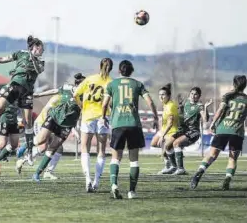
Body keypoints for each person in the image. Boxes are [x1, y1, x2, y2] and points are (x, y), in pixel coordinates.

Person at [0, 35, 45, 165]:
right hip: (15, 85)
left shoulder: (40, 62)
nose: (43, 51)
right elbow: (2, 59)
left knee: (28, 122)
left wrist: (32, 56)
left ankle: (29, 153)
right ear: (36, 46)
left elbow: (39, 70)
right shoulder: (20, 54)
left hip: (27, 92)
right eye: (42, 48)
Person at [102, 60, 159, 199]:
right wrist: (156, 117)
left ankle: (114, 185)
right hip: (134, 124)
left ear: (119, 71)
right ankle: (132, 192)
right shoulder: (137, 84)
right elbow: (150, 101)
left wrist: (104, 117)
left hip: (118, 124)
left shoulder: (111, 84)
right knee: (134, 160)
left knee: (116, 158)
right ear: (131, 71)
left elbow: (104, 104)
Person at [16, 73, 85, 177]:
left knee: (54, 148)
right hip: (52, 119)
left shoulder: (86, 96)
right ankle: (26, 147)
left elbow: (77, 113)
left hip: (66, 125)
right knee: (41, 142)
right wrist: (38, 95)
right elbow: (53, 94)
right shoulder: (66, 90)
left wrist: (75, 130)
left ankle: (38, 173)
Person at [191, 75, 247, 190]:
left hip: (223, 129)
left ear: (234, 84)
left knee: (211, 155)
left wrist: (213, 123)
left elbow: (220, 110)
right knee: (232, 159)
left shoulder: (228, 96)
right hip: (237, 132)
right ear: (245, 85)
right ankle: (227, 179)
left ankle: (199, 172)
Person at [73, 58, 113, 192]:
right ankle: (96, 181)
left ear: (99, 66)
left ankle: (87, 180)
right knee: (101, 150)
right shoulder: (111, 82)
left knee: (85, 148)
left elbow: (75, 95)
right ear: (111, 68)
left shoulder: (90, 79)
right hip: (103, 117)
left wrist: (82, 107)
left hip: (88, 116)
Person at [170, 87, 212, 175]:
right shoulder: (186, 103)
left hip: (194, 132)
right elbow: (181, 113)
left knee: (176, 143)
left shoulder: (199, 106)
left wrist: (206, 107)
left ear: (199, 96)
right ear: (189, 94)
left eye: (195, 94)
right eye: (192, 93)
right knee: (167, 143)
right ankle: (172, 167)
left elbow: (205, 119)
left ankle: (180, 169)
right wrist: (180, 105)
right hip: (184, 130)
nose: (193, 96)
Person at [150, 84, 179, 174]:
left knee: (164, 146)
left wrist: (163, 135)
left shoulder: (170, 106)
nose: (161, 96)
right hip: (163, 129)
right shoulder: (165, 105)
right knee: (154, 143)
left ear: (168, 96)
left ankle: (169, 165)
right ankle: (170, 152)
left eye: (163, 94)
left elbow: (170, 123)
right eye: (160, 94)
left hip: (172, 131)